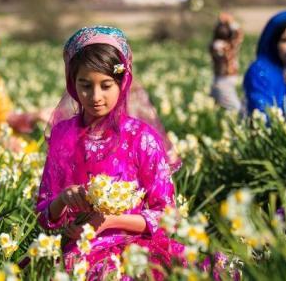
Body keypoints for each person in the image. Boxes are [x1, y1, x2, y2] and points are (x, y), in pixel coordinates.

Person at [36, 26, 184, 280]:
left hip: (139, 246)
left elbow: (167, 215)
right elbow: (45, 216)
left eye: (106, 85)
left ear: (122, 82)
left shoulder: (142, 138)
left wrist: (109, 221)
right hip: (84, 250)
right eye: (85, 85)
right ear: (72, 84)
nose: (95, 97)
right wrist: (63, 199)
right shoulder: (63, 135)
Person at [209, 12, 244, 111]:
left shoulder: (215, 45)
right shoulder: (223, 47)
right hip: (224, 82)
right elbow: (239, 35)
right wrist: (231, 22)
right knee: (236, 109)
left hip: (221, 81)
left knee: (217, 109)